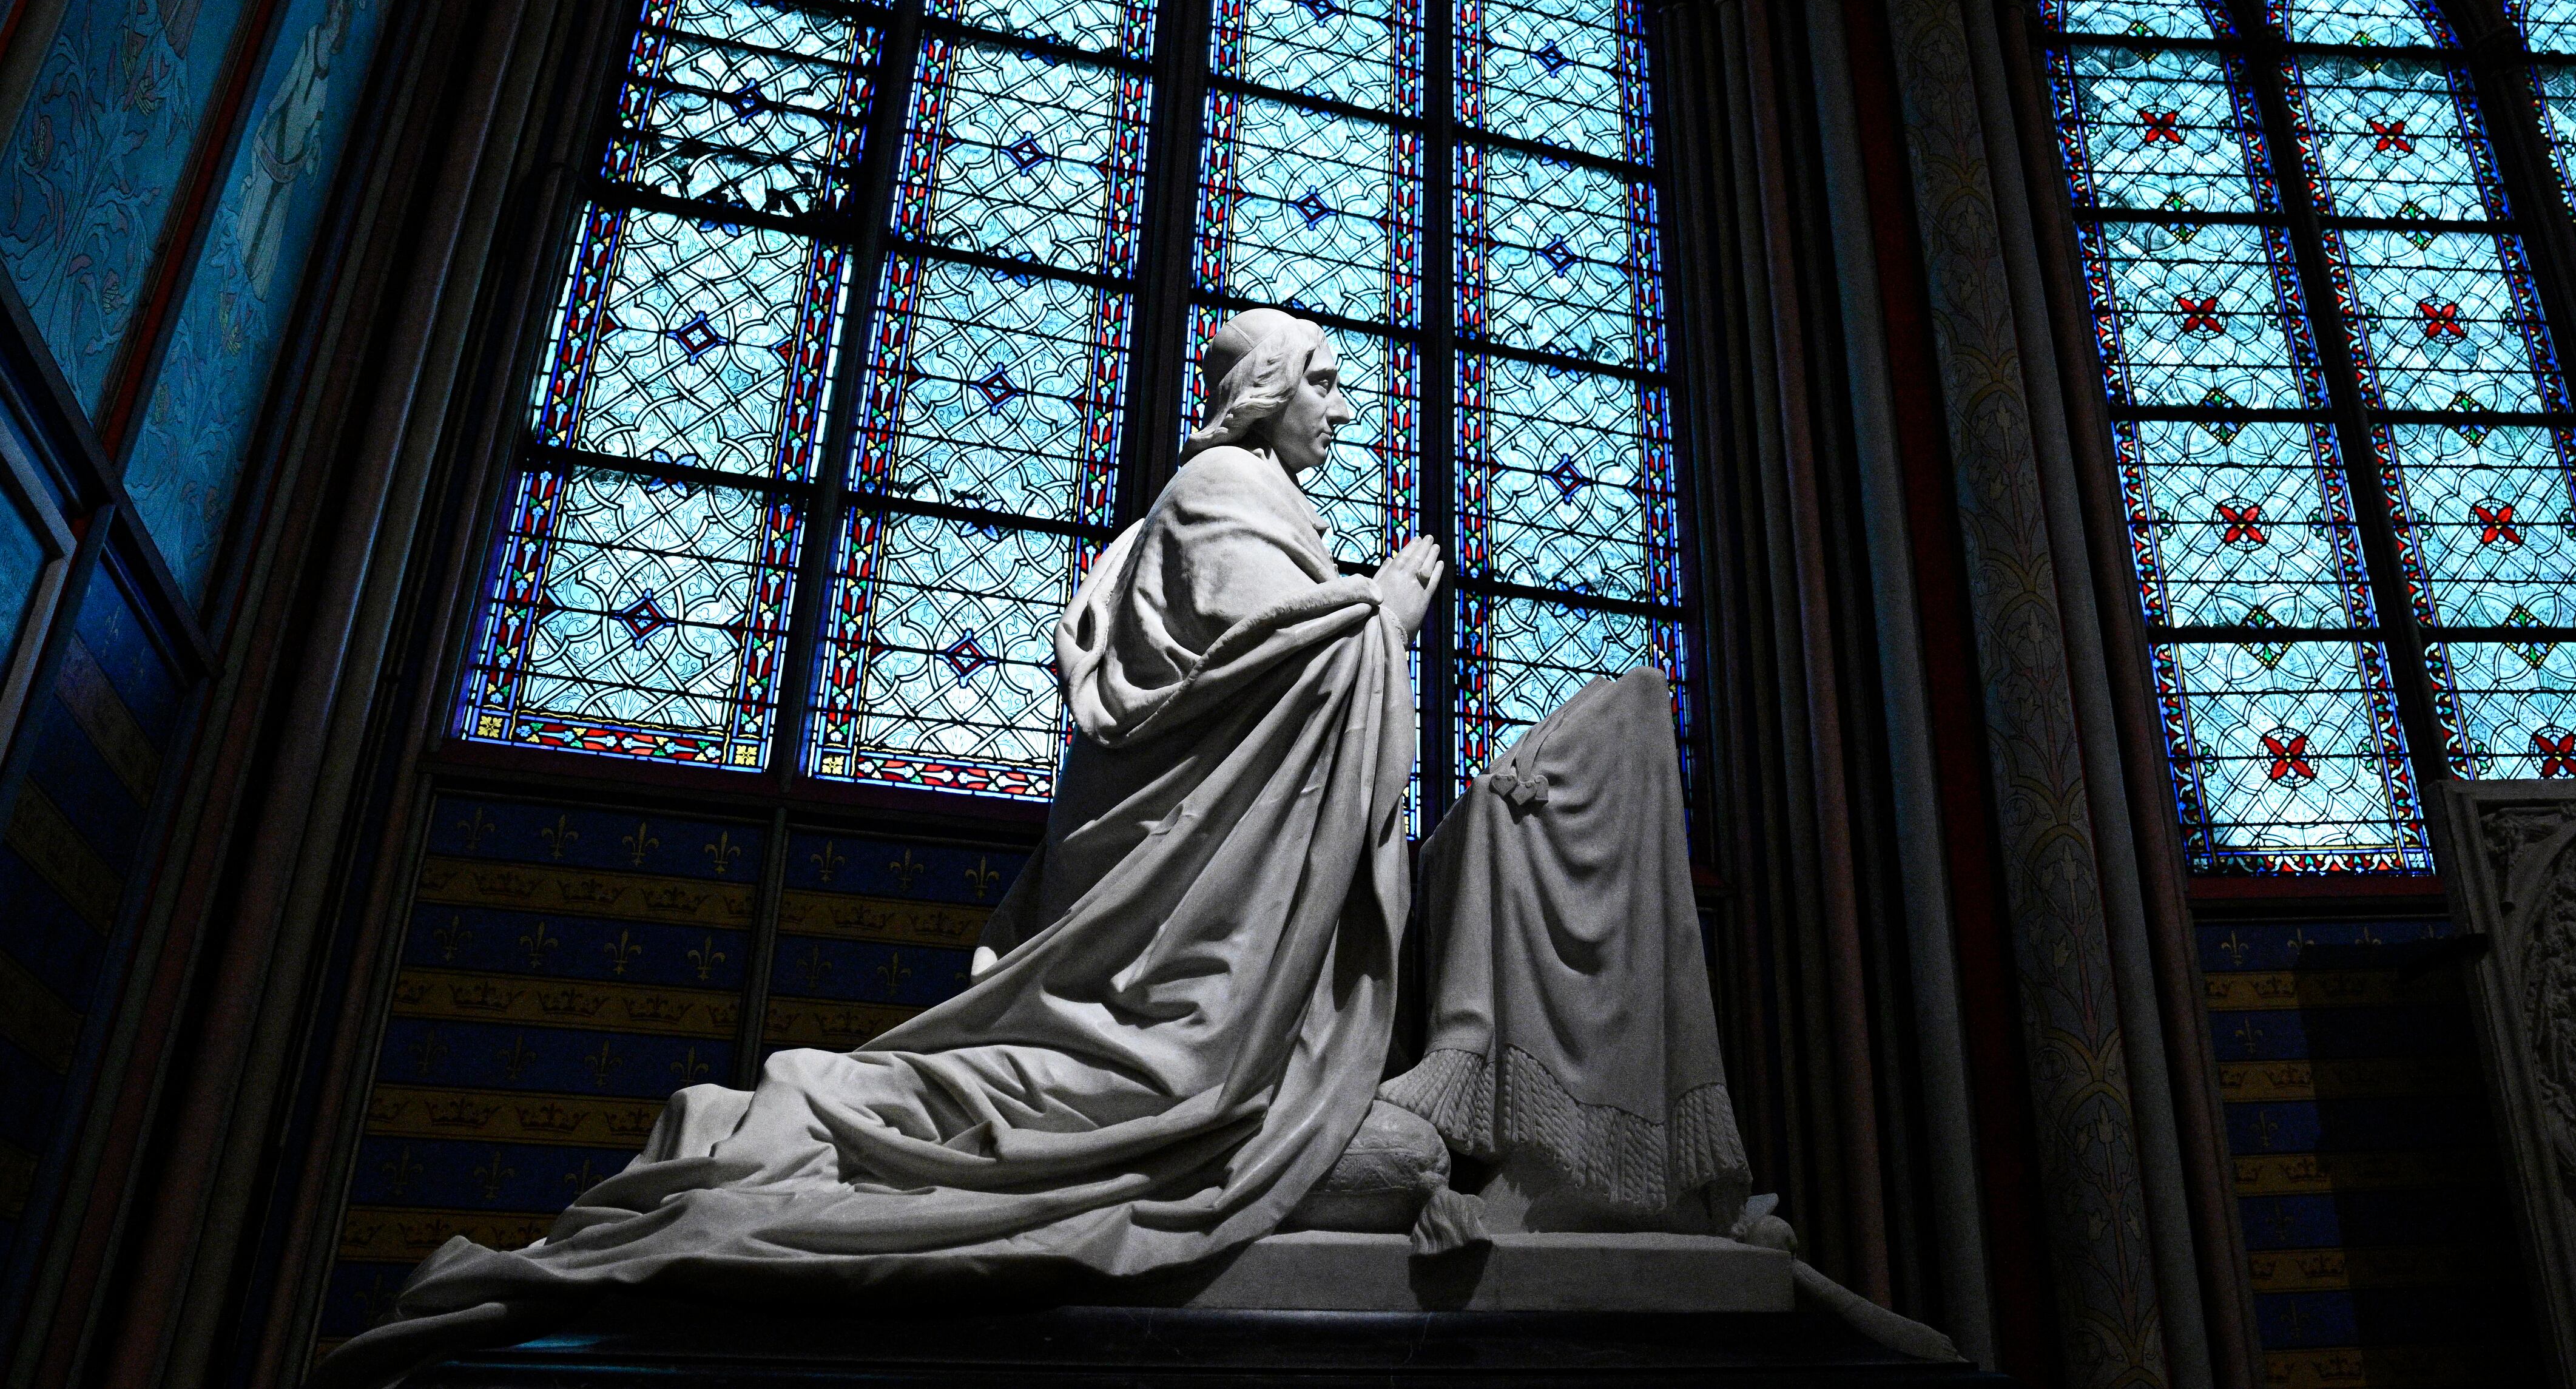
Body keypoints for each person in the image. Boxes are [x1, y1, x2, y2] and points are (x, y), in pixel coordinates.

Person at [318, 309, 1744, 1384]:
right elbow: (1251, 671)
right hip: (1191, 967)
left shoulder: (1254, 505)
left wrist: (1364, 614)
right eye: (1321, 377)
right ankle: (804, 1121)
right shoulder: (1224, 495)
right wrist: (1381, 612)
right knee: (1119, 1103)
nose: (1341, 402)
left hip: (1218, 929)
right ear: (1263, 391)